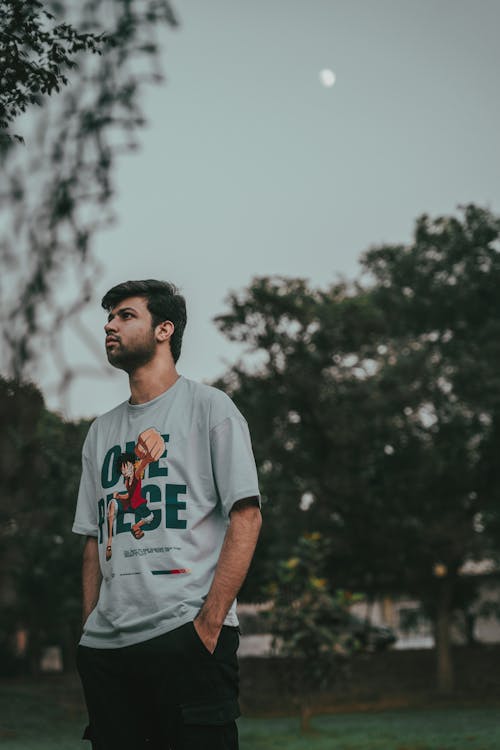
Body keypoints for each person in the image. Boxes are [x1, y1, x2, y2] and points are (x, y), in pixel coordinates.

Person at [73, 279, 262, 750]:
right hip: (108, 651)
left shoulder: (210, 408)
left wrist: (209, 624)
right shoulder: (101, 432)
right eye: (109, 316)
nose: (109, 324)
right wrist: (89, 627)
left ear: (164, 329)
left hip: (186, 634)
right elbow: (95, 537)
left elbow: (247, 516)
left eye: (125, 315)